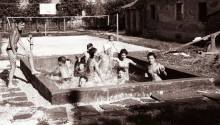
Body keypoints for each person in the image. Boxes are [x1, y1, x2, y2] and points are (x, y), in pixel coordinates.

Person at [6, 20, 40, 88]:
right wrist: (14, 53)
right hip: (10, 50)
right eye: (21, 25)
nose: (22, 27)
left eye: (23, 25)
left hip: (15, 49)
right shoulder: (14, 31)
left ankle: (33, 70)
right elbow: (12, 42)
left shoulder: (19, 31)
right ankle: (10, 84)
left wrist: (25, 48)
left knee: (29, 54)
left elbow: (19, 40)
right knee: (13, 67)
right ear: (17, 24)